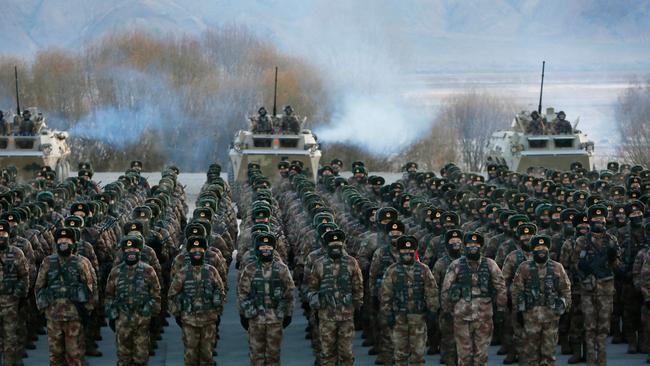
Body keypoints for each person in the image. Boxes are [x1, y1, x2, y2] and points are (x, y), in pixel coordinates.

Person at [441, 232, 507, 366]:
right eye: (470, 244)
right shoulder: (456, 265)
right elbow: (446, 289)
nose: (473, 247)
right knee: (464, 355)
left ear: (481, 246)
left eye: (476, 244)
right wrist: (447, 311)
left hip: (484, 317)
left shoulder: (490, 264)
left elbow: (501, 287)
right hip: (461, 317)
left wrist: (501, 309)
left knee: (481, 356)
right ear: (465, 246)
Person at [35, 228, 95, 366]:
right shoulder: (48, 262)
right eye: (61, 241)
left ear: (73, 243)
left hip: (74, 317)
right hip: (53, 316)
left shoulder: (81, 262)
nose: (64, 243)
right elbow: (39, 287)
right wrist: (43, 308)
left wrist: (87, 311)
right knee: (55, 356)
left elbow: (90, 288)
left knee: (75, 355)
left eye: (67, 241)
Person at [569, 205, 619, 365]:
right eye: (596, 219)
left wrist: (612, 258)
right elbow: (574, 263)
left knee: (603, 328)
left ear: (605, 220)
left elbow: (617, 265)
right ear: (590, 220)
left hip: (606, 289)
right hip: (588, 289)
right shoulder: (582, 241)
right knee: (589, 327)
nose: (599, 221)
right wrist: (584, 268)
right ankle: (591, 361)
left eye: (601, 219)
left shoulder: (611, 240)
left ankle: (602, 360)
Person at [511, 235, 571, 366]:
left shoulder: (557, 267)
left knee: (548, 354)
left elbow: (565, 289)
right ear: (533, 250)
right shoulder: (524, 267)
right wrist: (518, 313)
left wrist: (565, 309)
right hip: (530, 317)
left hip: (551, 317)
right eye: (538, 247)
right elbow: (516, 291)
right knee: (530, 354)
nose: (541, 250)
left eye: (544, 247)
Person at [307, 229, 363, 366]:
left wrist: (357, 306)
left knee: (346, 353)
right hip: (326, 316)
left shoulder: (351, 262)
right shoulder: (319, 264)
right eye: (332, 243)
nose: (335, 246)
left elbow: (358, 287)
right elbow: (311, 289)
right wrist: (318, 303)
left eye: (338, 243)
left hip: (346, 316)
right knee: (327, 353)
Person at [381, 235, 439, 366]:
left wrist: (432, 311)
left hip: (418, 318)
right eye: (403, 250)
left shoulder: (424, 269)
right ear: (399, 251)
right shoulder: (392, 270)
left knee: (418, 355)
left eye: (410, 250)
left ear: (415, 251)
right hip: (399, 319)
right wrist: (387, 314)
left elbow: (432, 291)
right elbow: (385, 294)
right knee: (400, 355)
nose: (407, 252)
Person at [238, 233, 294, 366]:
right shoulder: (250, 269)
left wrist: (287, 314)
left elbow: (289, 293)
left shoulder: (282, 269)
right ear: (258, 249)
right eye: (263, 248)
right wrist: (245, 314)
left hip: (275, 320)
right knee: (256, 356)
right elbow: (242, 293)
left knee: (273, 356)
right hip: (255, 319)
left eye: (269, 247)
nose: (266, 250)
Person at [168, 236, 225, 366]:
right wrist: (177, 313)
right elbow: (172, 295)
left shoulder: (211, 271)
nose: (197, 251)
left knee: (207, 356)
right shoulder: (182, 273)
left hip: (208, 320)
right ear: (189, 251)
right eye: (194, 249)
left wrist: (217, 310)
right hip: (189, 321)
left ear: (204, 250)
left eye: (200, 248)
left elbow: (220, 291)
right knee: (190, 357)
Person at [104, 235, 161, 366]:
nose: (131, 253)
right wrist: (112, 315)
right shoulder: (116, 271)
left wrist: (151, 312)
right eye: (128, 250)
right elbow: (108, 295)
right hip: (122, 322)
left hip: (142, 322)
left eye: (135, 250)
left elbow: (156, 295)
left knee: (141, 358)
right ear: (124, 251)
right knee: (123, 358)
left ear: (139, 251)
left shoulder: (148, 270)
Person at [0, 220, 29, 366]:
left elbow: (24, 276)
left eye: (3, 233)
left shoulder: (16, 253)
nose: (1, 236)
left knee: (10, 338)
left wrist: (18, 294)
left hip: (10, 303)